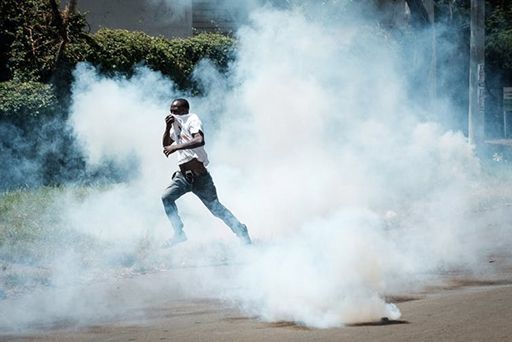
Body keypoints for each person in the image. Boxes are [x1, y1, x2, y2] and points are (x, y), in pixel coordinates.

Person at [161, 98, 251, 246]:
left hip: (200, 177)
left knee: (216, 209)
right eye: (171, 110)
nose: (172, 113)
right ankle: (179, 233)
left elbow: (199, 140)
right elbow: (166, 145)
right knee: (166, 198)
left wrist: (176, 147)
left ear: (184, 110)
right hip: (183, 177)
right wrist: (167, 127)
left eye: (175, 110)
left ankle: (241, 230)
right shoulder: (174, 125)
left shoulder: (192, 119)